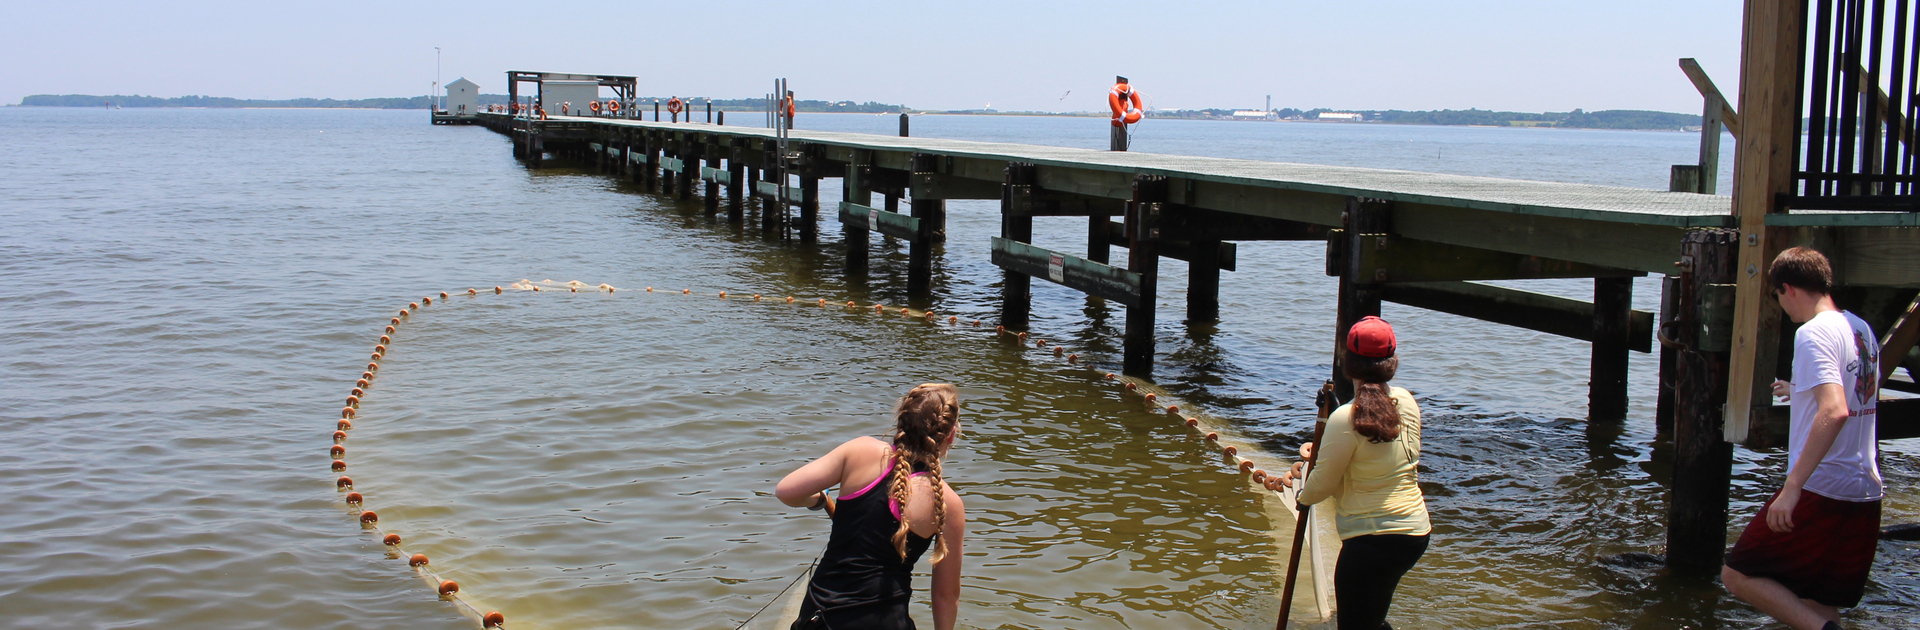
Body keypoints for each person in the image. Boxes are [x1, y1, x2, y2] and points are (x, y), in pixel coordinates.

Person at [1722, 247, 1882, 630]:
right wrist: (1800, 391)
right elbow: (1854, 395)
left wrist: (1791, 488)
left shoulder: (1811, 333)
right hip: (1865, 489)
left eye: (1778, 297)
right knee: (1818, 599)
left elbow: (1835, 410)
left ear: (1788, 288)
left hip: (1821, 488)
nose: (1782, 307)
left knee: (1737, 575)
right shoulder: (1860, 328)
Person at [1278, 315, 1429, 630]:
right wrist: (1336, 409)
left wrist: (1303, 496)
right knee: (1369, 621)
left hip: (1372, 541)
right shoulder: (1407, 401)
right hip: (1414, 534)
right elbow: (1375, 440)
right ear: (1391, 363)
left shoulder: (1345, 418)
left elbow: (1323, 484)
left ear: (1348, 364)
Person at [776, 383, 966, 630]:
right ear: (950, 436)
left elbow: (786, 492)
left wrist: (820, 500)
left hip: (821, 617)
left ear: (902, 421)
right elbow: (945, 598)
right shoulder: (949, 503)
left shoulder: (860, 451)